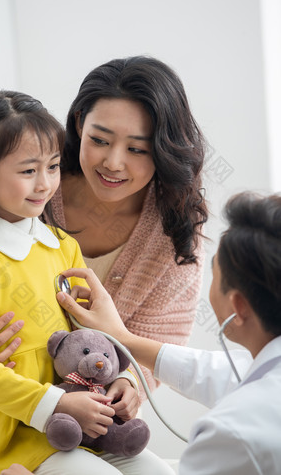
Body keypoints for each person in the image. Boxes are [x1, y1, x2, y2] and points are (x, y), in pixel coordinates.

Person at [0, 56, 207, 402]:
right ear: (80, 123)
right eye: (99, 140)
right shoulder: (21, 189)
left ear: (162, 149)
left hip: (92, 418)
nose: (113, 163)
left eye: (137, 149)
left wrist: (128, 382)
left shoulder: (174, 232)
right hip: (5, 413)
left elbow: (160, 343)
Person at [0, 91, 172, 475]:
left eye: (52, 167)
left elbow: (90, 336)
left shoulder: (63, 246)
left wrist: (122, 380)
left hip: (80, 421)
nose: (45, 184)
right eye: (28, 171)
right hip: (6, 433)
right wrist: (57, 405)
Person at [56, 191, 281, 475]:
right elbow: (213, 372)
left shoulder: (232, 434)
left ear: (237, 306)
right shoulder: (257, 377)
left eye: (215, 272)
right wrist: (122, 339)